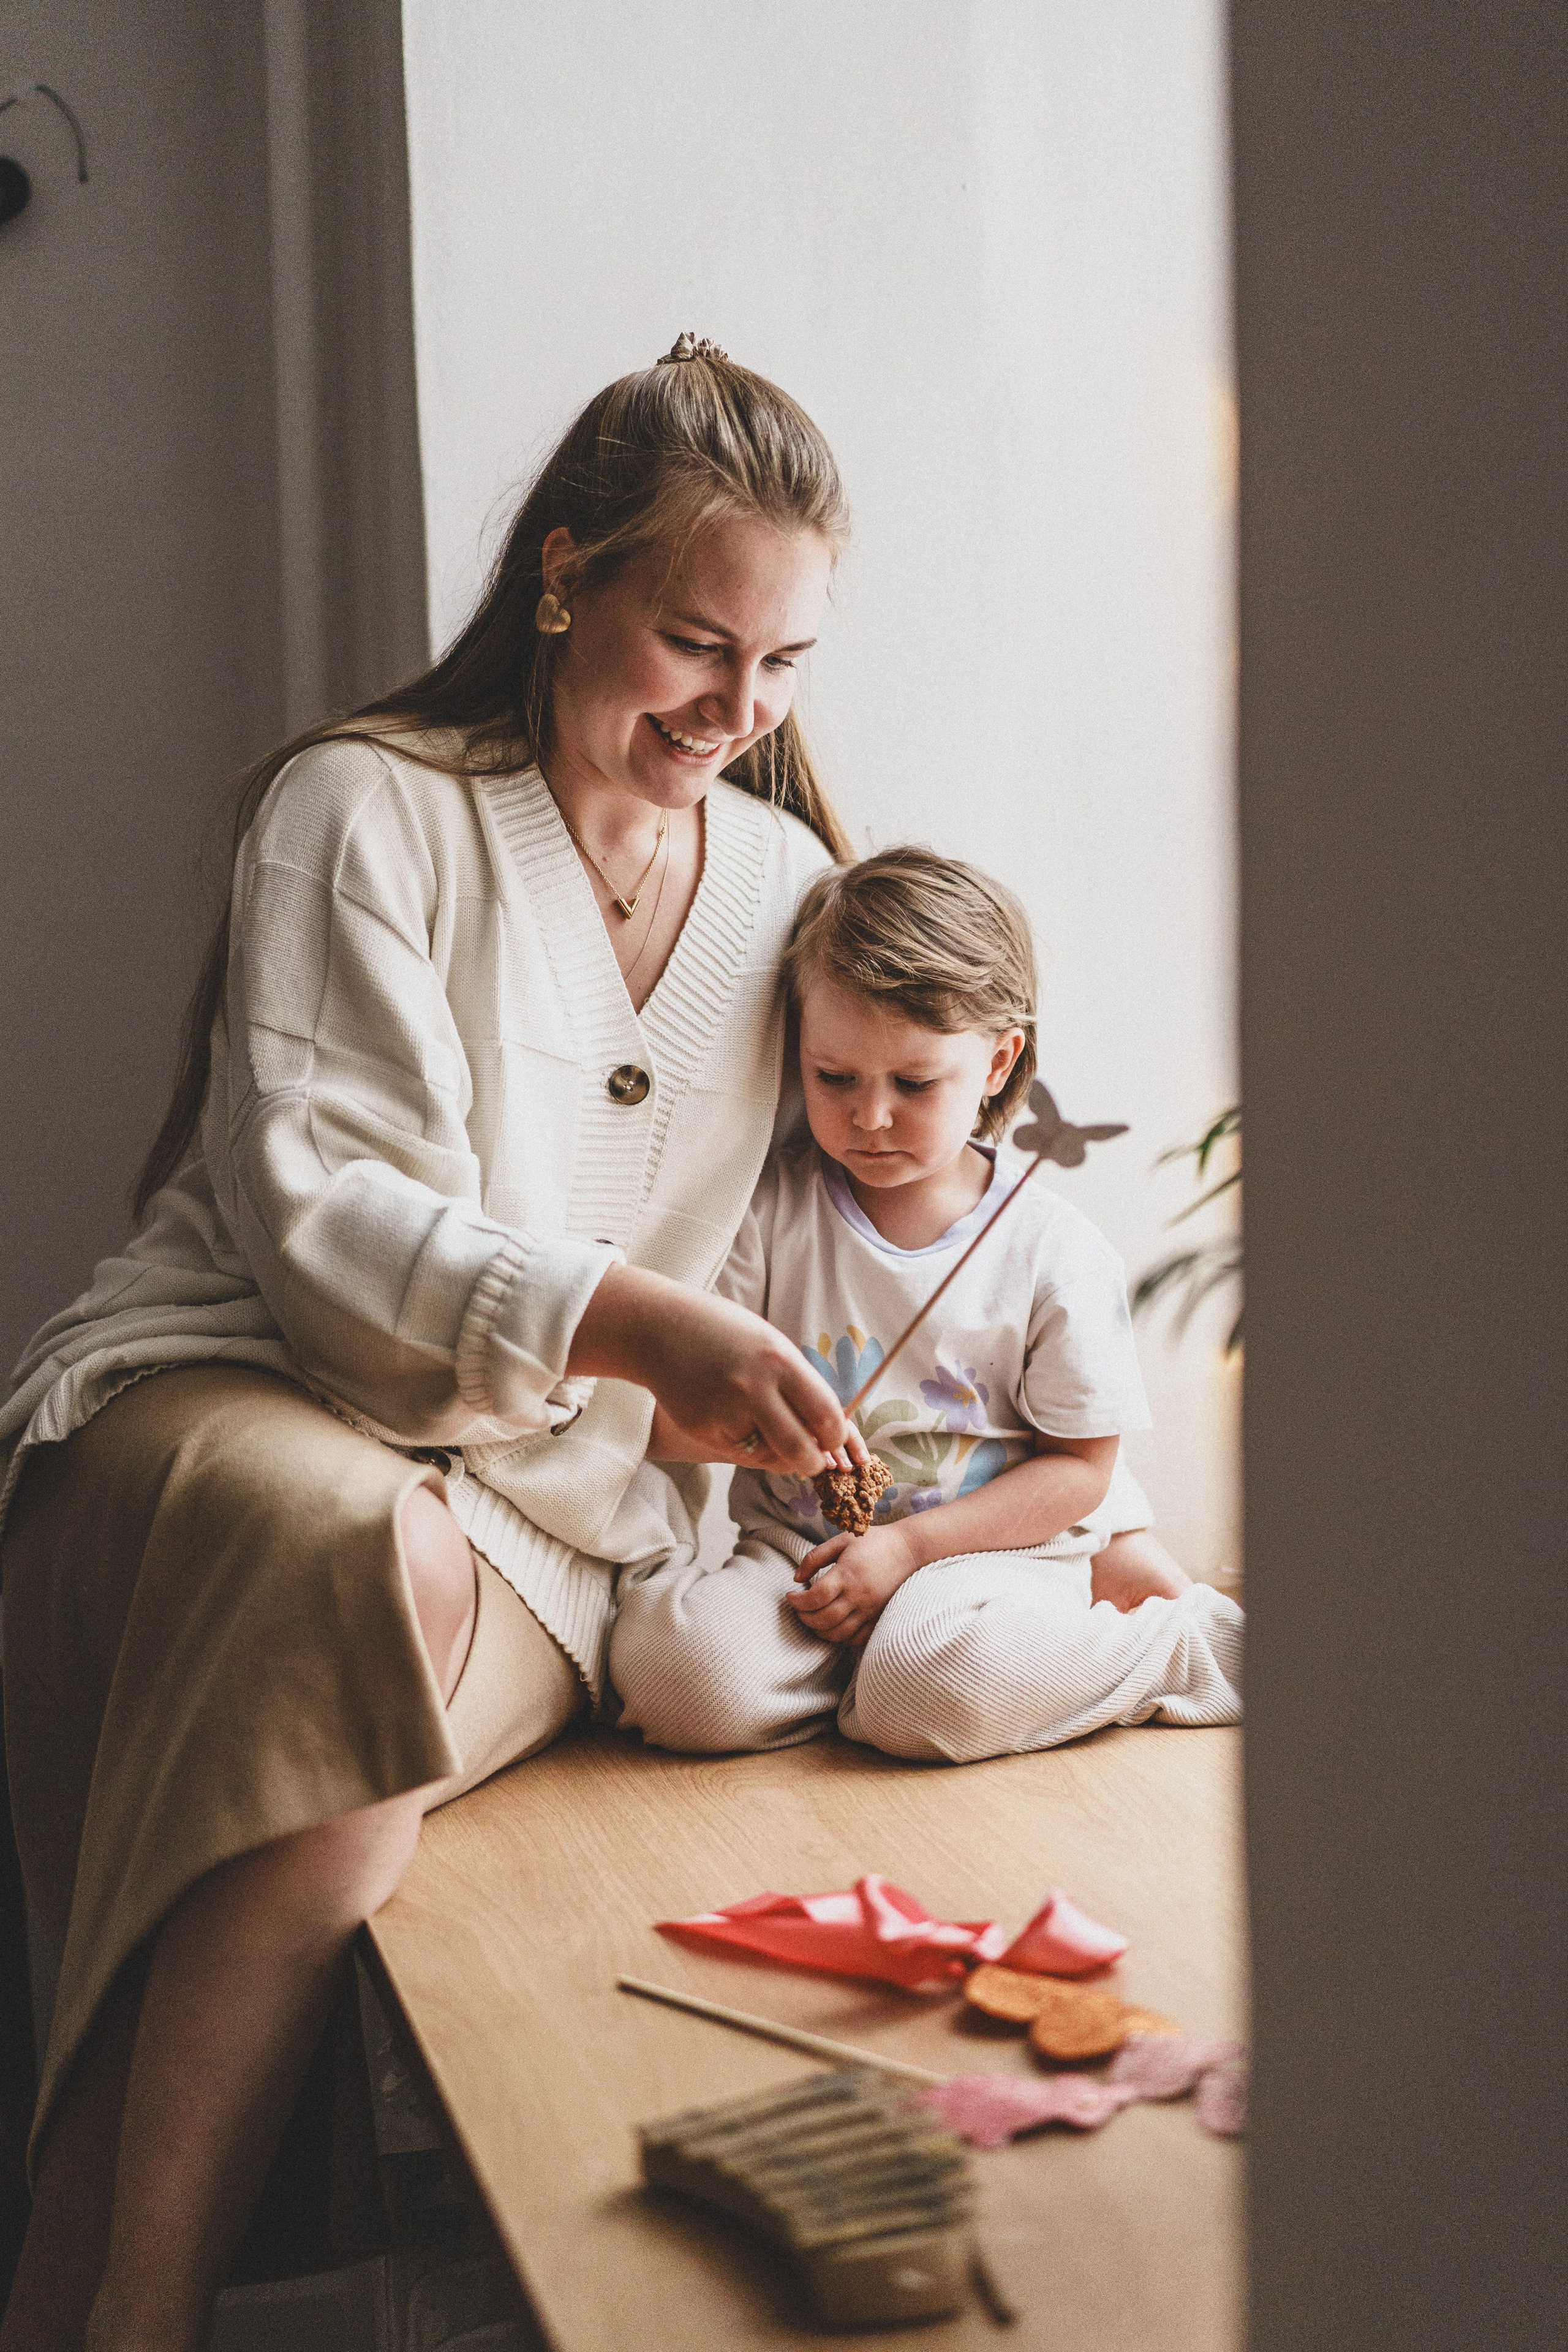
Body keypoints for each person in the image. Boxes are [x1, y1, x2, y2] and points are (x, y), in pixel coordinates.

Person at [0, 339, 862, 2352]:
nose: (736, 710)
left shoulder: (793, 893)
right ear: (564, 573)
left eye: (785, 664)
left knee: (366, 1637)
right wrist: (628, 1321)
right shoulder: (363, 808)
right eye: (695, 641)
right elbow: (322, 1230)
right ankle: (144, 2308)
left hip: (549, 1522)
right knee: (362, 1555)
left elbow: (855, 1211)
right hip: (233, 1398)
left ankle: (101, 2299)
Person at [611, 847, 1243, 1760]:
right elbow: (674, 1415)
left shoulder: (1055, 1253)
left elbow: (1080, 1471)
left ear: (998, 1063)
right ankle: (862, 1679)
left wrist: (910, 1552)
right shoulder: (767, 1215)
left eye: (913, 1084)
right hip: (801, 1557)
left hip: (991, 1564)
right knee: (678, 1674)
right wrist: (747, 1437)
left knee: (927, 1686)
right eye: (835, 1078)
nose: (870, 1117)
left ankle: (1179, 1644)